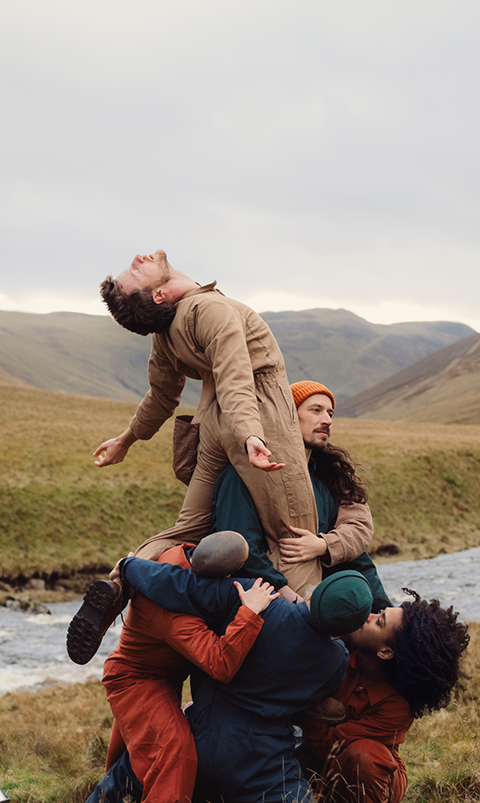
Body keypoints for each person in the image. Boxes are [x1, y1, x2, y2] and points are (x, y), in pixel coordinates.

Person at [71, 251, 321, 665]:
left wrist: (128, 439)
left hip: (212, 427)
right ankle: (310, 650)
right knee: (294, 537)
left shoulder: (167, 330)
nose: (138, 258)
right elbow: (236, 377)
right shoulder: (210, 309)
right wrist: (252, 435)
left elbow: (161, 395)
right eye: (136, 270)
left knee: (187, 529)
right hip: (259, 420)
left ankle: (118, 584)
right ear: (158, 295)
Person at [69, 561, 372, 803]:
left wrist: (130, 566)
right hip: (257, 763)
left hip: (198, 741)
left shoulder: (251, 595)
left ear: (314, 592)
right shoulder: (335, 661)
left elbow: (180, 586)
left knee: (144, 758)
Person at [70, 532, 276, 803]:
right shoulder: (175, 613)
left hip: (161, 676)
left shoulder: (173, 559)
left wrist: (128, 566)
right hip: (136, 679)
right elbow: (219, 663)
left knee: (136, 761)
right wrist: (250, 613)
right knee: (174, 746)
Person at [212, 379, 389, 608]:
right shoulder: (246, 471)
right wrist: (292, 600)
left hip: (314, 606)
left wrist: (382, 612)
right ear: (288, 416)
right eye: (316, 410)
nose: (327, 420)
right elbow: (241, 546)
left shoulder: (326, 482)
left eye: (330, 413)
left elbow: (356, 555)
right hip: (263, 604)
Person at [299, 589, 470, 803]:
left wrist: (306, 705)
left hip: (358, 772)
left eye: (379, 621)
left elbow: (330, 745)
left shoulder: (396, 707)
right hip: (306, 751)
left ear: (386, 652)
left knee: (364, 755)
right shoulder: (344, 637)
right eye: (379, 612)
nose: (368, 616)